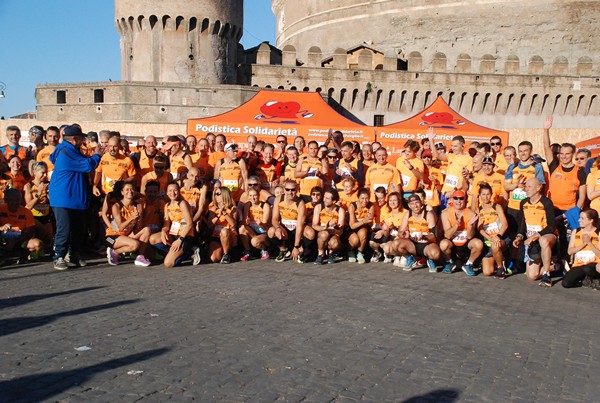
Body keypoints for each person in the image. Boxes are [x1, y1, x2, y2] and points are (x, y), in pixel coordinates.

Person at [49, 125, 101, 270]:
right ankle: (59, 255)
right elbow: (86, 165)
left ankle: (74, 254)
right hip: (63, 198)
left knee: (79, 228)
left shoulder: (73, 150)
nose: (83, 140)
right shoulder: (65, 152)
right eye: (80, 138)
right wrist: (97, 154)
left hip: (76, 198)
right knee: (64, 229)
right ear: (73, 139)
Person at [512, 178, 557, 287]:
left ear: (538, 188)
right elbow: (523, 224)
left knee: (543, 240)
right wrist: (519, 236)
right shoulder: (523, 203)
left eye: (529, 187)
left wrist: (534, 236)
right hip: (532, 242)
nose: (526, 189)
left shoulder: (546, 202)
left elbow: (552, 226)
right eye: (525, 186)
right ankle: (556, 266)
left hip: (546, 236)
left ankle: (547, 275)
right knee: (531, 276)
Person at [382, 194, 440, 272]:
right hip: (412, 244)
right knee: (395, 244)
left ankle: (429, 258)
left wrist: (424, 237)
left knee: (435, 254)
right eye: (412, 204)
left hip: (426, 244)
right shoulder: (407, 214)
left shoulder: (428, 215)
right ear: (409, 205)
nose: (415, 206)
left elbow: (434, 236)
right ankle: (410, 258)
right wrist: (404, 234)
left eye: (417, 203)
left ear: (421, 203)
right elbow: (400, 232)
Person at [104, 183, 152, 267]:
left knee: (146, 230)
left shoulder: (137, 205)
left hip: (126, 235)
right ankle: (114, 252)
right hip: (113, 236)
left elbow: (139, 225)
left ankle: (140, 257)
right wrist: (131, 218)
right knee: (135, 245)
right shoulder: (117, 206)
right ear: (122, 192)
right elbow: (121, 227)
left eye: (132, 189)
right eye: (127, 189)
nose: (130, 191)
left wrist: (139, 217)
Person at [439, 189, 482, 276]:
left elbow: (470, 236)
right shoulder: (445, 213)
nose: (458, 201)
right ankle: (449, 262)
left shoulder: (470, 213)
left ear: (465, 200)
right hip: (452, 244)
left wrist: (470, 225)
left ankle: (469, 264)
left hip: (466, 243)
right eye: (456, 198)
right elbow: (447, 235)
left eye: (461, 199)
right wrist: (456, 225)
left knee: (478, 244)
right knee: (443, 244)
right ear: (451, 200)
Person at [156, 182, 198, 268]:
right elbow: (166, 224)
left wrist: (180, 240)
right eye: (170, 191)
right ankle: (173, 252)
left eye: (175, 190)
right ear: (167, 193)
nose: (172, 193)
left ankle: (189, 252)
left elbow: (190, 224)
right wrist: (163, 231)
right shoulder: (167, 205)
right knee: (153, 239)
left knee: (168, 263)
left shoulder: (182, 204)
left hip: (185, 236)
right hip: (174, 234)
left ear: (179, 191)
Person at [0, 188, 44, 264]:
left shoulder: (26, 212)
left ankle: (25, 255)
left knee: (37, 244)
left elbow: (31, 231)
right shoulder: (1, 209)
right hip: (3, 238)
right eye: (12, 200)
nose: (15, 203)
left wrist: (15, 241)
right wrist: (1, 228)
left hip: (20, 238)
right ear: (6, 200)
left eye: (17, 200)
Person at [268, 179, 306, 262]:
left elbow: (300, 226)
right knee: (271, 231)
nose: (290, 192)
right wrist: (277, 228)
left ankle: (301, 248)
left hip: (296, 229)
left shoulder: (300, 203)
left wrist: (296, 246)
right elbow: (274, 218)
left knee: (310, 233)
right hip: (284, 229)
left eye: (293, 190)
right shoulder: (278, 199)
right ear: (284, 190)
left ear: (297, 190)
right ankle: (283, 249)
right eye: (287, 189)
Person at [477, 183, 509, 278]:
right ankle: (498, 260)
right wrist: (489, 238)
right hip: (489, 241)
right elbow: (480, 228)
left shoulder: (497, 207)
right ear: (480, 196)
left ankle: (500, 269)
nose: (485, 197)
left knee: (495, 245)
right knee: (487, 272)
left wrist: (497, 236)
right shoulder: (479, 209)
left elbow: (505, 224)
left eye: (488, 194)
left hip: (500, 239)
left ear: (491, 195)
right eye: (483, 194)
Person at [564, 209, 600, 289]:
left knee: (588, 268)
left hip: (593, 263)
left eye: (582, 218)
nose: (579, 220)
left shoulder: (598, 233)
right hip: (579, 263)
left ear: (591, 220)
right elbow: (570, 251)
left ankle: (595, 278)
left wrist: (590, 243)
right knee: (566, 283)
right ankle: (584, 280)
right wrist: (583, 244)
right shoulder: (576, 231)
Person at [312, 188, 345, 264]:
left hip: (334, 233)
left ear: (334, 201)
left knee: (335, 243)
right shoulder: (318, 207)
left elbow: (341, 231)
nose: (324, 200)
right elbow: (314, 225)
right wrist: (324, 228)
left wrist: (335, 228)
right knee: (324, 234)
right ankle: (320, 254)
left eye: (327, 198)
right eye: (324, 197)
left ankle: (331, 252)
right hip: (322, 232)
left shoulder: (340, 211)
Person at [207, 186, 238, 263]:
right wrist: (218, 215)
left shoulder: (232, 208)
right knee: (214, 258)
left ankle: (226, 254)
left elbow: (233, 224)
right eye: (214, 194)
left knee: (224, 231)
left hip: (230, 235)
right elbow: (209, 225)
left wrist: (224, 213)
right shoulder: (214, 209)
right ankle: (222, 251)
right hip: (216, 235)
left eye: (218, 194)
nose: (215, 196)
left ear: (224, 195)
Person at [238, 187, 271, 261]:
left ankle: (265, 249)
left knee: (254, 241)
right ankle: (247, 252)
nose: (252, 198)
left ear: (259, 195)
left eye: (255, 195)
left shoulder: (265, 206)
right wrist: (246, 222)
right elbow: (244, 222)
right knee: (242, 228)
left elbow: (265, 225)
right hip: (253, 231)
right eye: (250, 195)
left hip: (264, 232)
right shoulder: (247, 205)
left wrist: (260, 223)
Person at [347, 188, 375, 264]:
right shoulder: (353, 206)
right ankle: (350, 251)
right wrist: (364, 221)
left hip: (363, 228)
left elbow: (371, 223)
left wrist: (368, 220)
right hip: (351, 229)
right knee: (355, 240)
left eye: (367, 198)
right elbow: (352, 226)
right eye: (362, 198)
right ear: (358, 198)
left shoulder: (370, 205)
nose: (365, 201)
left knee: (363, 232)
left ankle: (360, 252)